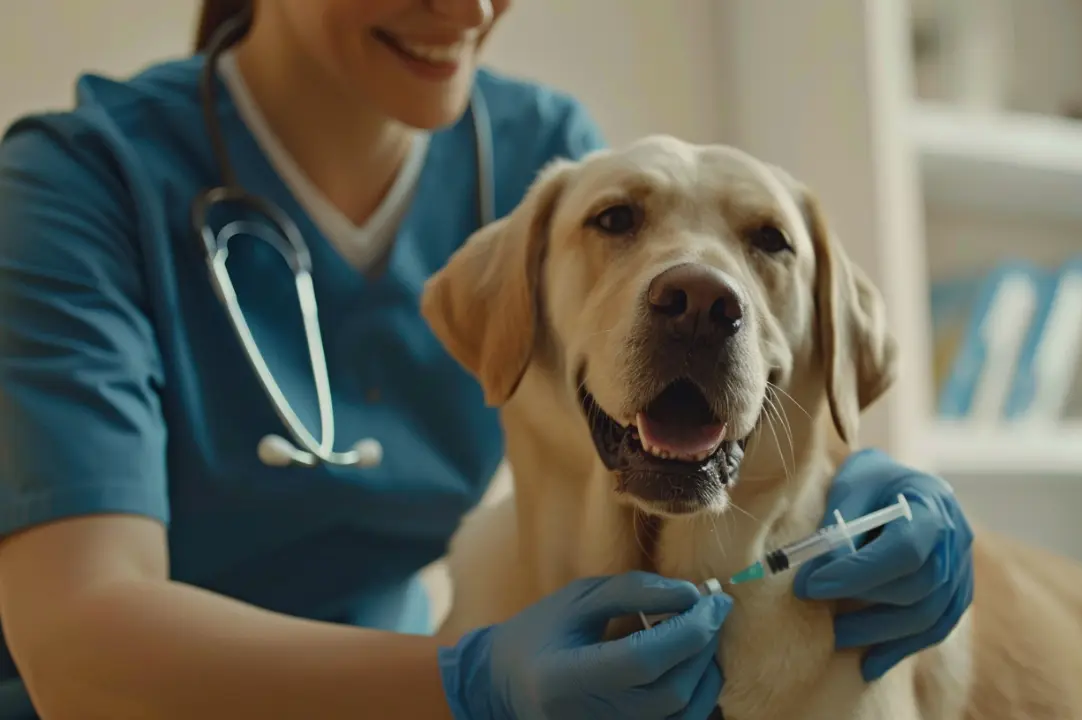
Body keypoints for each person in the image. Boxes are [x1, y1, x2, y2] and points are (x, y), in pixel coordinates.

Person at [0, 0, 975, 717]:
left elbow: (655, 421)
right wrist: (465, 682)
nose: (465, 11)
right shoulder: (79, 186)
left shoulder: (538, 153)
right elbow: (78, 646)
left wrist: (853, 489)